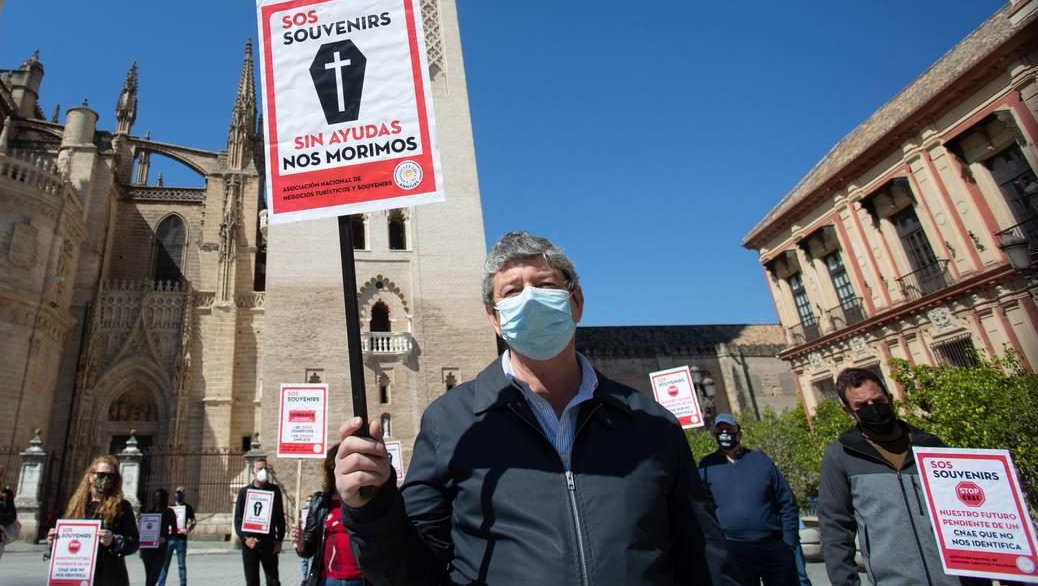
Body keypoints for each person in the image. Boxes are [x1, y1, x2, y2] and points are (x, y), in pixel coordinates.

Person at [334, 231, 739, 585]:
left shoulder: (652, 424)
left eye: (544, 285)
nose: (529, 299)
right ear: (494, 319)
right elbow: (411, 572)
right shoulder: (450, 424)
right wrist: (371, 509)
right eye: (511, 291)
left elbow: (704, 556)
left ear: (575, 301)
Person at [818, 366, 988, 586]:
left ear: (890, 398)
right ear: (848, 411)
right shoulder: (841, 455)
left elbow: (972, 515)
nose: (873, 409)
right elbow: (835, 529)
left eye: (878, 402)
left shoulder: (932, 447)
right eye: (862, 406)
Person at [698, 414, 800, 586]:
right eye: (720, 430)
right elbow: (703, 509)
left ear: (739, 433)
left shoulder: (761, 461)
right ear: (714, 435)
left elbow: (786, 501)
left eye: (729, 429)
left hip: (773, 547)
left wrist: (789, 541)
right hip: (734, 549)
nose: (724, 433)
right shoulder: (707, 466)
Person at [49, 455, 140, 586]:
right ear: (91, 476)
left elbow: (133, 543)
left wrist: (113, 541)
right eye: (102, 474)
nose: (106, 479)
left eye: (111, 476)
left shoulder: (122, 506)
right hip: (78, 574)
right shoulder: (77, 505)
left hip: (108, 575)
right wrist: (55, 541)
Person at [292, 444, 363, 586]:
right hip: (328, 579)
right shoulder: (320, 502)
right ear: (332, 468)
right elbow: (308, 549)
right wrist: (300, 543)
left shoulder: (367, 499)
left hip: (361, 579)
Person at [234, 457, 286, 586]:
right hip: (250, 545)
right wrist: (245, 538)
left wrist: (279, 540)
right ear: (253, 472)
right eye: (260, 469)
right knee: (252, 582)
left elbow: (280, 516)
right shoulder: (244, 492)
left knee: (273, 582)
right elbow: (238, 520)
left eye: (265, 468)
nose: (263, 471)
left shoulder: (274, 490)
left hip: (269, 543)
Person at [156, 487, 196, 586]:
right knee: (165, 564)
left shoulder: (188, 508)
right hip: (170, 539)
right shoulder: (170, 508)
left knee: (181, 564)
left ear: (184, 494)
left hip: (181, 539)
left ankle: (183, 584)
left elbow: (194, 521)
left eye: (181, 493)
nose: (179, 495)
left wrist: (189, 529)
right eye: (177, 492)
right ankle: (161, 583)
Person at [139, 488, 178, 586]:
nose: (157, 499)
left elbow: (174, 531)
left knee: (154, 576)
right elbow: (142, 531)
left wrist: (165, 538)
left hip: (160, 549)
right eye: (156, 497)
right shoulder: (148, 513)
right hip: (147, 549)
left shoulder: (169, 512)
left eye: (160, 497)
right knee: (149, 576)